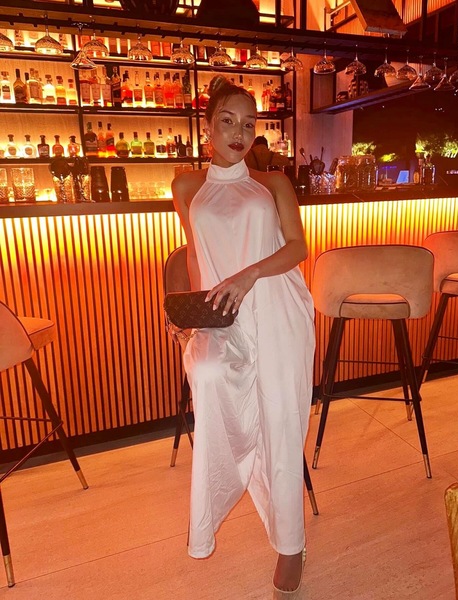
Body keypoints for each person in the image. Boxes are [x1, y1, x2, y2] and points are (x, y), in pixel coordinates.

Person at [171, 75, 315, 598]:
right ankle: (217, 500)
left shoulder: (273, 183)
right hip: (222, 315)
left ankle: (291, 544)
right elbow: (194, 252)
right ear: (207, 129)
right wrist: (192, 314)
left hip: (276, 304)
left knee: (280, 418)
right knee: (209, 376)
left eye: (249, 124)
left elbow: (297, 248)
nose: (239, 132)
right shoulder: (186, 186)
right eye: (228, 121)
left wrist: (249, 274)